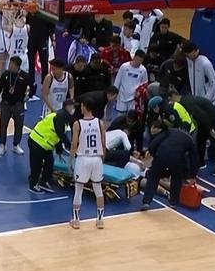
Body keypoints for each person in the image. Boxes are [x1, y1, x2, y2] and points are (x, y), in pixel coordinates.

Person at [141, 119, 199, 210]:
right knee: (176, 179)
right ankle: (173, 203)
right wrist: (192, 176)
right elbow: (194, 159)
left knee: (153, 177)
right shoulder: (190, 140)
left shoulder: (170, 131)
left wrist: (151, 150)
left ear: (180, 127)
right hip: (177, 159)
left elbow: (157, 140)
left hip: (161, 155)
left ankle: (146, 202)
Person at [69, 98, 106, 230]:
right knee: (98, 189)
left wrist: (71, 160)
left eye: (81, 106)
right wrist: (102, 159)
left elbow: (74, 145)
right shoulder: (100, 123)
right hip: (97, 159)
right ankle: (100, 220)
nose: (80, 108)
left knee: (78, 190)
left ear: (85, 107)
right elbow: (103, 143)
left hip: (83, 159)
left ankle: (76, 220)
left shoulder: (77, 124)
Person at [27, 100, 75, 194]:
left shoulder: (63, 117)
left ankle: (44, 181)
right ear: (68, 107)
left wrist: (59, 151)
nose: (74, 109)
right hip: (37, 141)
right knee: (36, 165)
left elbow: (58, 136)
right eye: (72, 107)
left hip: (45, 144)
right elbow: (60, 133)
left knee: (49, 162)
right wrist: (70, 146)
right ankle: (33, 185)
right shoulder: (60, 116)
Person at [169, 89, 215, 165]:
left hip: (212, 117)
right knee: (200, 139)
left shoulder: (187, 103)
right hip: (205, 118)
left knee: (214, 140)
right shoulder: (185, 99)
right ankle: (201, 162)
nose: (171, 102)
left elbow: (202, 115)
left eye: (170, 100)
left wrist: (209, 129)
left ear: (173, 96)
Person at [0, 56, 30, 155]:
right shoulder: (6, 74)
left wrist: (28, 97)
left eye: (12, 64)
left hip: (18, 105)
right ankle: (2, 145)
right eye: (10, 63)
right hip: (5, 104)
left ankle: (16, 145)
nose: (10, 66)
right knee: (3, 125)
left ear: (17, 66)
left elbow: (33, 86)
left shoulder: (25, 76)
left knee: (19, 125)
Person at [26, 11, 55, 97]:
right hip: (32, 39)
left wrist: (51, 38)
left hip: (43, 39)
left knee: (44, 63)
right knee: (30, 62)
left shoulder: (46, 12)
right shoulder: (31, 11)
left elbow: (52, 25)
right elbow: (27, 22)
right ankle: (31, 85)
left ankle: (44, 84)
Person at [113, 49, 148, 117]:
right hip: (122, 95)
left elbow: (144, 84)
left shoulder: (143, 70)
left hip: (134, 98)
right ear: (134, 57)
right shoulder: (124, 66)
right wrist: (115, 93)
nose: (138, 62)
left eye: (141, 60)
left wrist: (139, 93)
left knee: (131, 116)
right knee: (120, 116)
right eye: (137, 59)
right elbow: (117, 80)